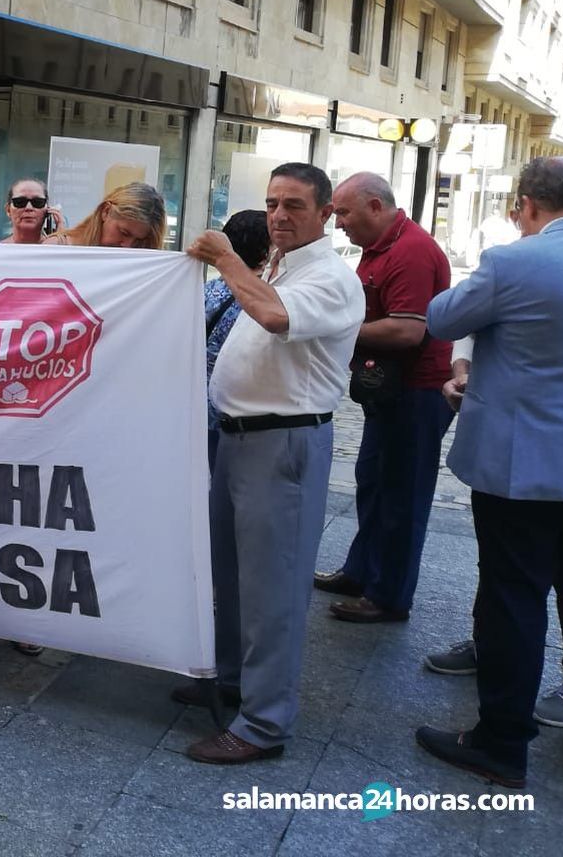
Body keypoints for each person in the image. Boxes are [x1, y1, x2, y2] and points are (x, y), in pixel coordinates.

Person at [178, 163, 364, 764]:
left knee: (273, 587)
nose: (280, 216)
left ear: (326, 214)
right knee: (233, 575)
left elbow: (276, 317)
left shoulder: (331, 277)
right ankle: (234, 681)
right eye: (273, 204)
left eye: (294, 206)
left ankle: (262, 724)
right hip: (239, 437)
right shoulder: (283, 263)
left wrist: (229, 259)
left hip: (281, 442)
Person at [415, 157, 563, 788]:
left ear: (529, 204)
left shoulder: (518, 260)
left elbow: (440, 319)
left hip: (526, 463)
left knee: (513, 594)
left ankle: (501, 739)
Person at [424, 334, 563, 731]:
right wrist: (464, 371)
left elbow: (451, 313)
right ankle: (491, 649)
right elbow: (470, 325)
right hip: (520, 436)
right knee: (502, 565)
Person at [313, 174, 453, 625]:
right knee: (374, 482)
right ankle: (361, 572)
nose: (339, 222)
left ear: (375, 206)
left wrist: (335, 331)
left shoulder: (411, 251)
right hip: (391, 392)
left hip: (416, 394)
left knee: (402, 495)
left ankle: (389, 596)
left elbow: (408, 330)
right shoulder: (381, 246)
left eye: (344, 212)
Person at [204, 210, 270, 458]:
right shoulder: (263, 300)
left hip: (201, 406)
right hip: (238, 411)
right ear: (265, 254)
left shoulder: (208, 290)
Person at [46, 181, 167, 249]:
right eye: (124, 233)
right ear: (106, 211)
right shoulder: (57, 248)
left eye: (138, 241)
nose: (128, 245)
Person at [0, 178, 62, 244]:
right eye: (20, 202)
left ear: (48, 210)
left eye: (38, 202)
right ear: (8, 210)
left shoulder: (60, 249)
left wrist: (60, 239)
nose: (29, 208)